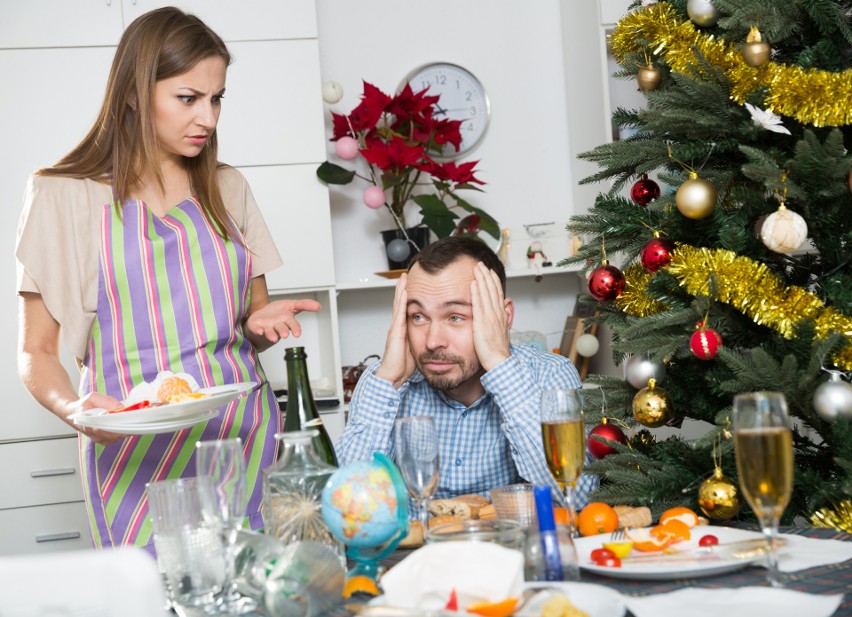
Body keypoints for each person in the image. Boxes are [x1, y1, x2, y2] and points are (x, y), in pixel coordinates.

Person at [15, 7, 317, 554]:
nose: (208, 117)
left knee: (262, 596)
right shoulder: (63, 195)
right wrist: (73, 409)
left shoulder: (228, 188)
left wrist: (258, 324)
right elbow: (35, 352)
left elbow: (250, 325)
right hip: (132, 455)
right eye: (188, 98)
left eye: (217, 98)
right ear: (133, 92)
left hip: (241, 438)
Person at [337, 236, 598, 508]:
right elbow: (347, 507)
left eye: (455, 317)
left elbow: (577, 499)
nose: (432, 341)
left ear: (504, 317)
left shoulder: (550, 375)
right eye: (418, 316)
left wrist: (500, 365)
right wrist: (388, 381)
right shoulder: (383, 381)